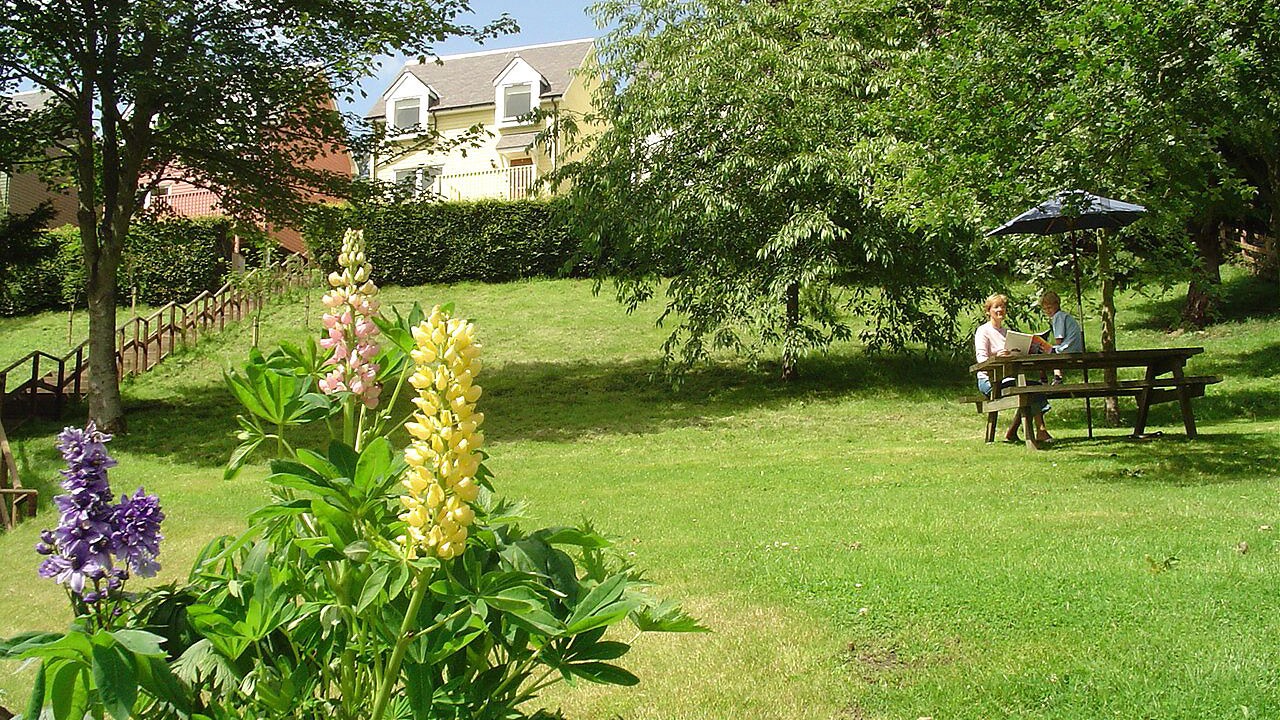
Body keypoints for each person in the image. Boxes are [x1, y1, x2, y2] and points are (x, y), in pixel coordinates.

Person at [974, 293, 1051, 443]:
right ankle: (1040, 431)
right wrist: (997, 357)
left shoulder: (1006, 332)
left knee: (1034, 388)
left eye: (1003, 307)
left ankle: (1014, 431)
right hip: (990, 381)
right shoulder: (983, 331)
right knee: (1028, 389)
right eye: (996, 307)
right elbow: (981, 360)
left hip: (1009, 377)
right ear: (988, 311)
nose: (1000, 310)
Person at [1039, 291, 1084, 384]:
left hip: (1069, 347)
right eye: (1045, 309)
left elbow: (1059, 339)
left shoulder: (1058, 317)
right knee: (1052, 350)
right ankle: (1057, 376)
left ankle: (1045, 379)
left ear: (1057, 305)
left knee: (1041, 351)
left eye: (1049, 308)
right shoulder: (1064, 315)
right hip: (1075, 347)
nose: (1048, 311)